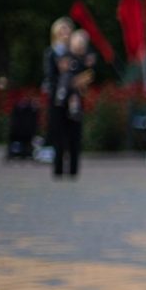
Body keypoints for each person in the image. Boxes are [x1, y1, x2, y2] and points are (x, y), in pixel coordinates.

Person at [57, 30, 96, 179]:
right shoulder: (66, 57)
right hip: (64, 101)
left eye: (82, 44)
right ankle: (58, 169)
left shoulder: (85, 61)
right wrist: (76, 81)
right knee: (61, 137)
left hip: (77, 103)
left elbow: (89, 77)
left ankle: (73, 170)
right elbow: (65, 78)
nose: (80, 47)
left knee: (75, 137)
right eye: (78, 44)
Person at [42, 16, 73, 174]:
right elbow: (50, 75)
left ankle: (68, 160)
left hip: (71, 95)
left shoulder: (72, 52)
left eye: (68, 31)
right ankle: (56, 161)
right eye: (62, 31)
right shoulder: (52, 52)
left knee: (70, 128)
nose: (65, 34)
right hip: (56, 95)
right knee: (57, 126)